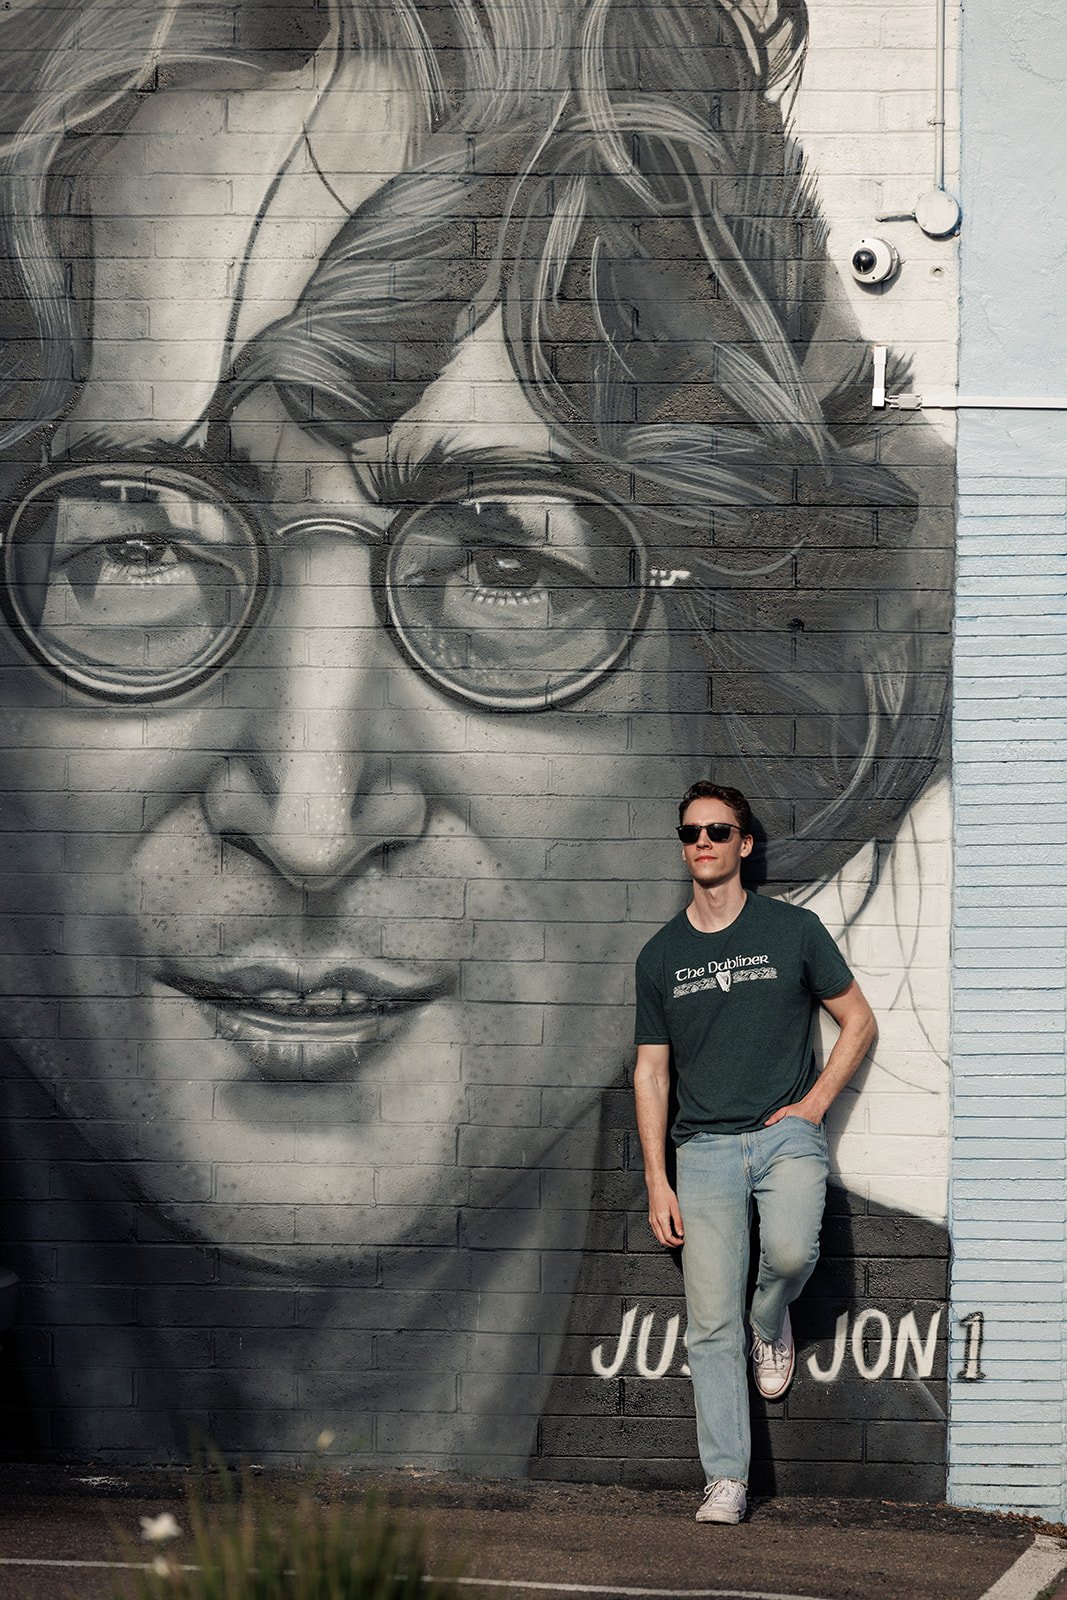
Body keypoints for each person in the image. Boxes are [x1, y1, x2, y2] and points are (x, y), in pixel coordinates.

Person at [0, 0, 948, 1474]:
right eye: (135, 552)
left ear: (726, 687)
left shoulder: (931, 1432)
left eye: (513, 565)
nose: (312, 818)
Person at [633, 780, 877, 1522]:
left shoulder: (791, 931)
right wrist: (655, 1180)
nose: (701, 843)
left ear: (744, 843)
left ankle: (769, 1321)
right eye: (689, 834)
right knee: (708, 1323)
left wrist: (810, 1106)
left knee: (794, 1255)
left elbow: (858, 1021)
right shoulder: (660, 955)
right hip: (701, 1152)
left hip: (783, 1139)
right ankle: (726, 1479)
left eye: (716, 830)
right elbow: (650, 1070)